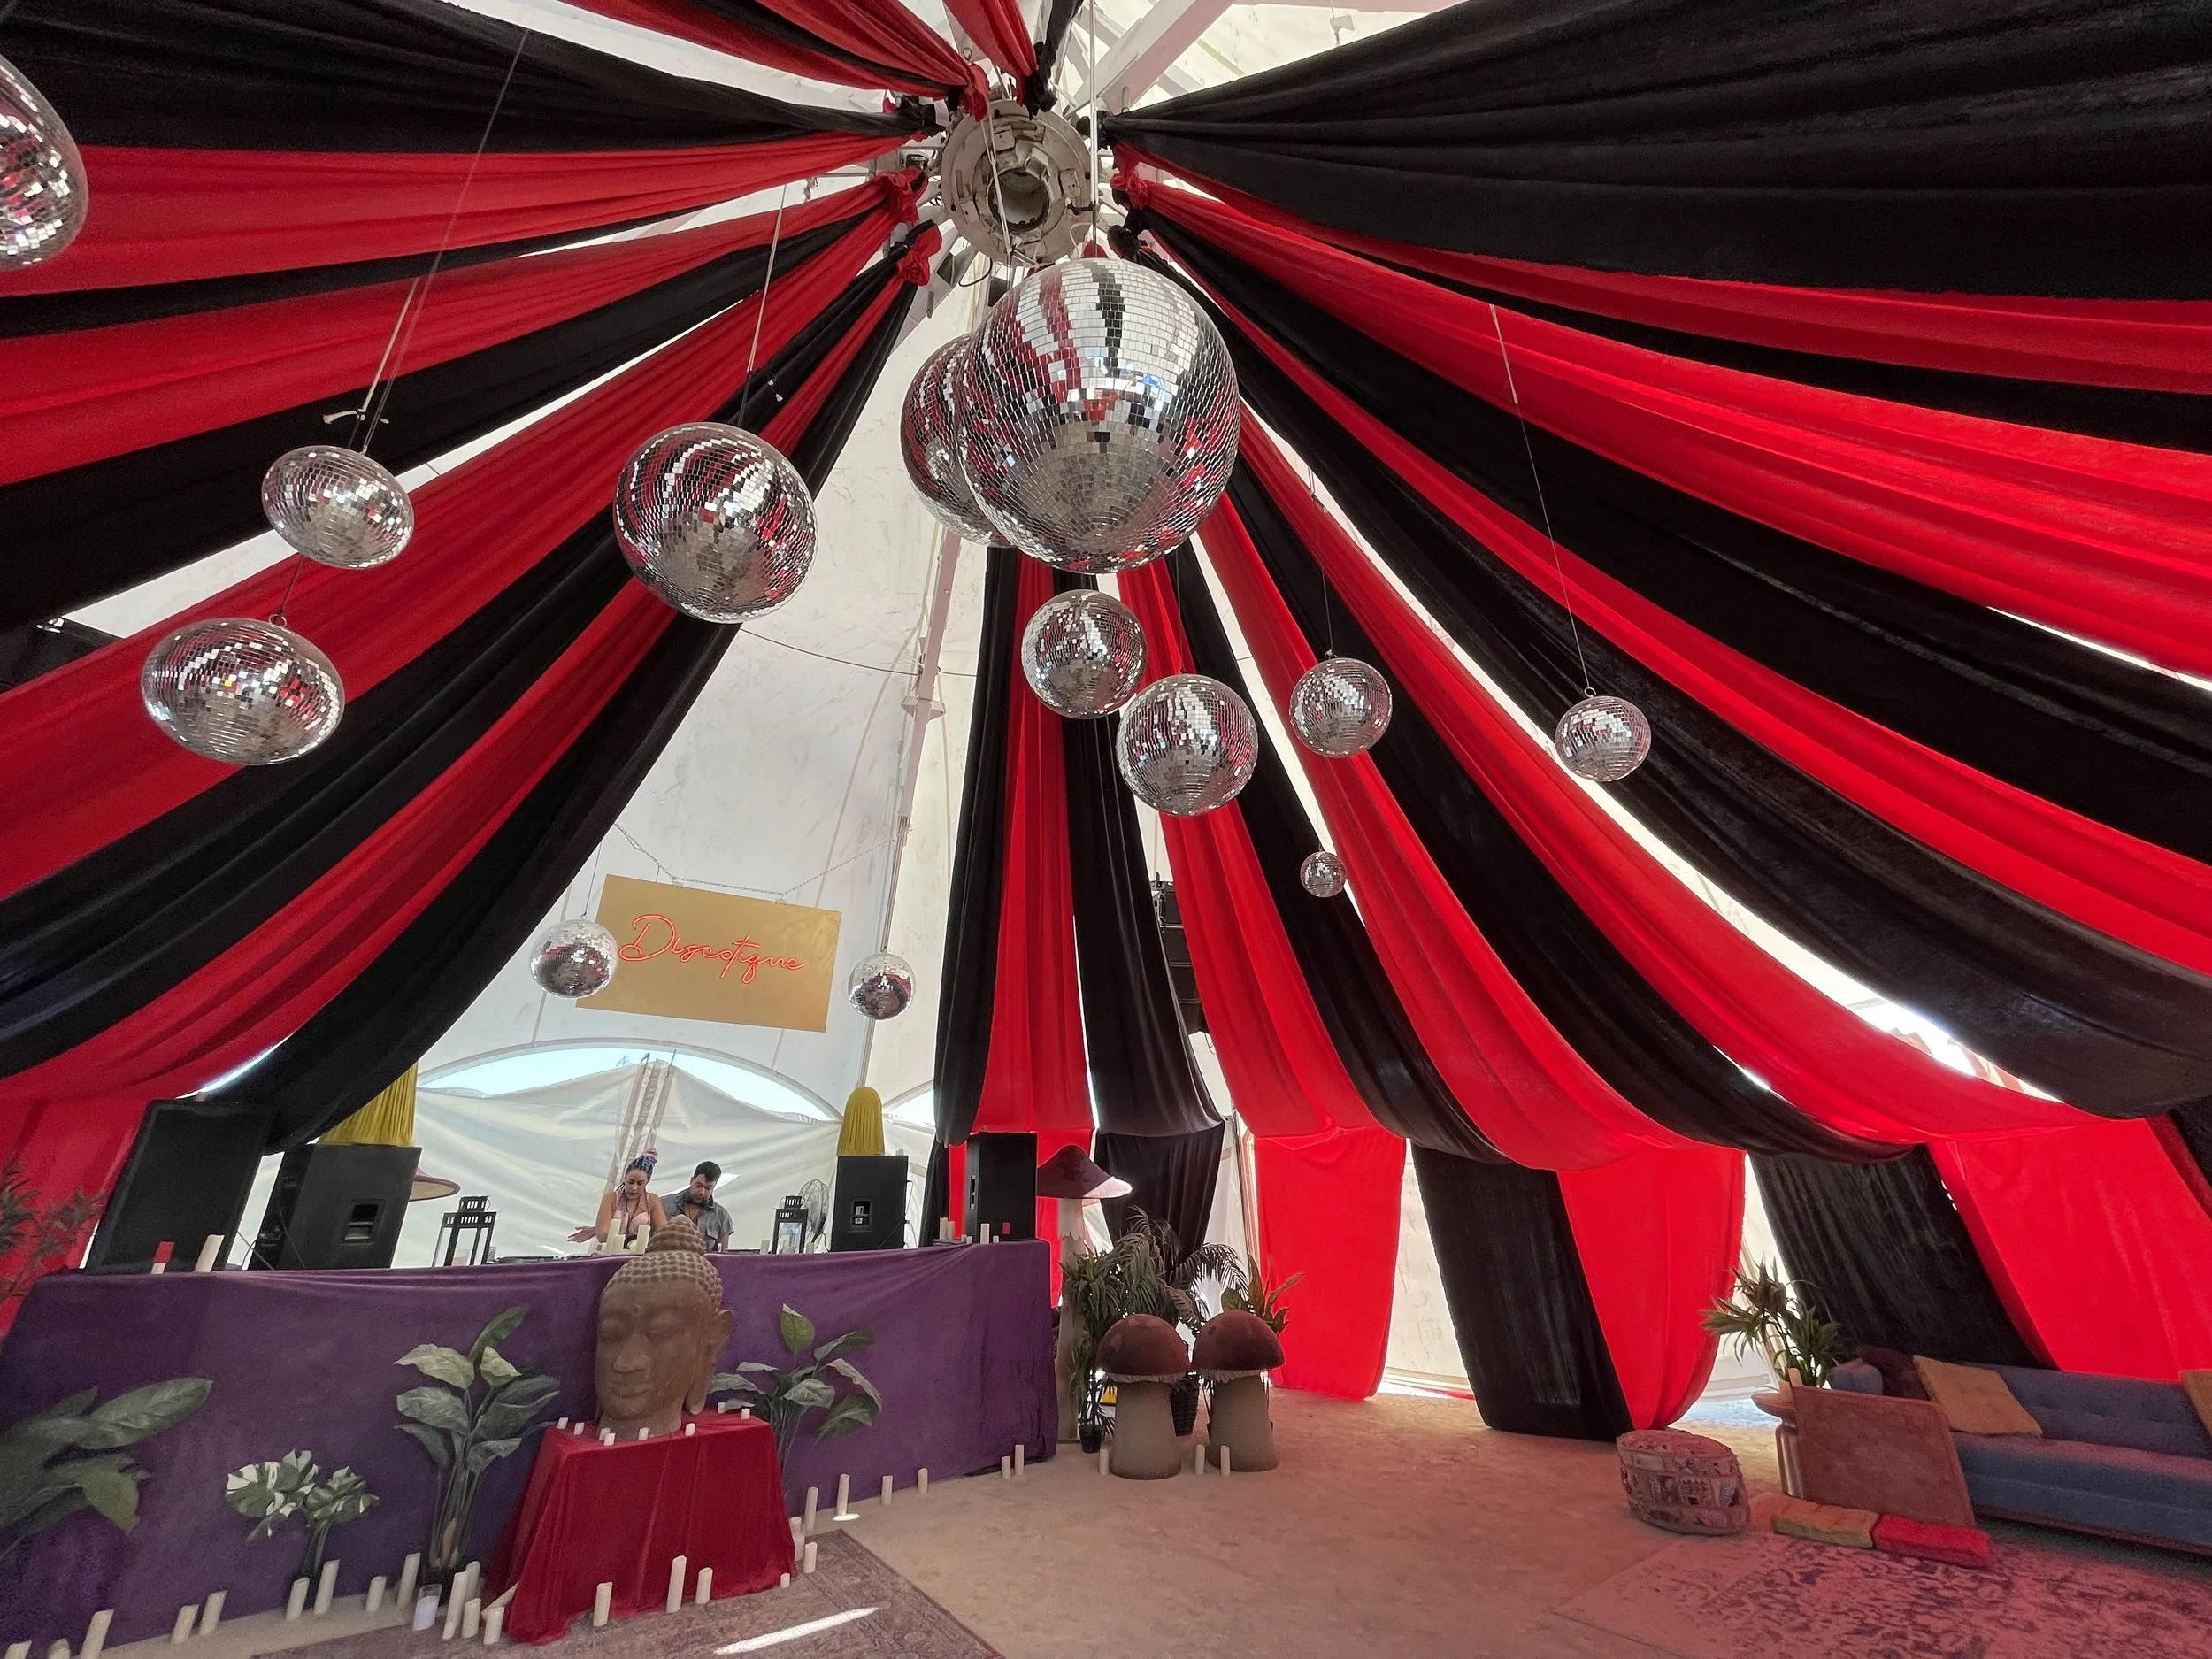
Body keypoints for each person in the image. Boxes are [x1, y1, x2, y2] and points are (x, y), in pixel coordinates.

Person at [570, 1155, 666, 1247]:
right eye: (630, 1182)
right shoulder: (611, 1198)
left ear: (647, 1182)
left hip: (640, 1254)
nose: (634, 1188)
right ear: (625, 1178)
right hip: (612, 1252)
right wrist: (598, 1231)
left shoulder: (652, 1200)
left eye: (640, 1183)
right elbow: (602, 1236)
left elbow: (663, 1233)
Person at [663, 1161, 733, 1253]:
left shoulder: (722, 1216)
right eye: (699, 1186)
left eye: (708, 1188)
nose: (702, 1192)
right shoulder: (664, 1204)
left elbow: (723, 1256)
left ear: (714, 1187)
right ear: (691, 1181)